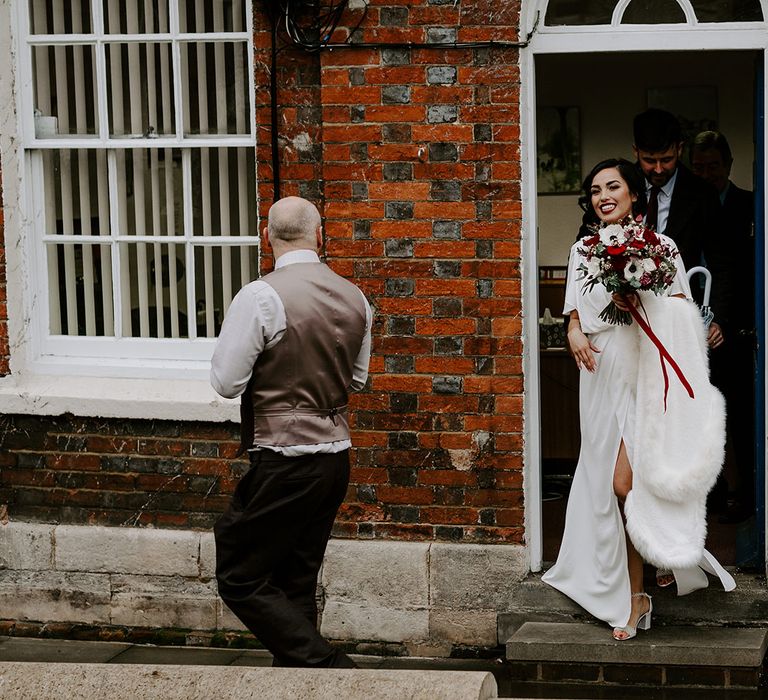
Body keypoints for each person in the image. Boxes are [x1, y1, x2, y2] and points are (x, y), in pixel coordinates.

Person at [542, 158, 735, 642]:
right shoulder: (582, 249)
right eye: (594, 189)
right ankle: (636, 595)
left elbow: (680, 311)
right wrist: (573, 332)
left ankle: (662, 551)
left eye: (613, 185)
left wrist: (638, 290)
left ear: (633, 193)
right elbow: (573, 312)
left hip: (645, 371)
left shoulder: (661, 247)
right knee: (608, 490)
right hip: (600, 373)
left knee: (626, 482)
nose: (602, 194)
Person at [210, 196, 372, 668]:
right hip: (335, 458)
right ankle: (303, 687)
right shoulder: (355, 296)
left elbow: (226, 383)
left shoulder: (260, 296)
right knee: (296, 579)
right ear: (320, 235)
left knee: (239, 574)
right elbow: (356, 380)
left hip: (284, 459)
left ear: (268, 237)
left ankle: (330, 668)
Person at [692, 130, 756, 523]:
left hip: (732, 331)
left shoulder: (749, 204)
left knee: (739, 417)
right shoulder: (684, 206)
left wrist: (723, 322)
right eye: (698, 168)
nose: (706, 174)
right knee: (700, 418)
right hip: (687, 330)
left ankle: (747, 497)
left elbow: (742, 271)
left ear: (728, 165)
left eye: (713, 166)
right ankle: (710, 496)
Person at [632, 108, 730, 351]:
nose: (657, 169)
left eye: (666, 160)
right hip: (629, 317)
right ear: (635, 151)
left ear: (679, 148)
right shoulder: (618, 184)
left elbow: (722, 263)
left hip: (682, 318)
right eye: (648, 160)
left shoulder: (702, 193)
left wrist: (717, 318)